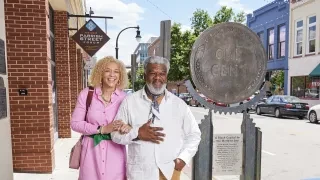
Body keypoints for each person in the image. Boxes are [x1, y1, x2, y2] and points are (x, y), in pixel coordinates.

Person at [111, 56, 201, 180]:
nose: (157, 77)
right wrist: (137, 133)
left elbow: (194, 134)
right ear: (144, 75)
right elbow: (115, 135)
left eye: (162, 74)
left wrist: (183, 159)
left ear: (166, 76)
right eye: (152, 73)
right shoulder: (130, 102)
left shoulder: (179, 105)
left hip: (171, 172)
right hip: (140, 174)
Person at [71, 56, 131, 180]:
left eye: (116, 71)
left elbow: (132, 124)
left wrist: (128, 127)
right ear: (100, 73)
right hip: (90, 152)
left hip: (116, 154)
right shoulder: (86, 94)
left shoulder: (125, 99)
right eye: (107, 70)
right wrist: (101, 129)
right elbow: (75, 123)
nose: (112, 75)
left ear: (120, 76)